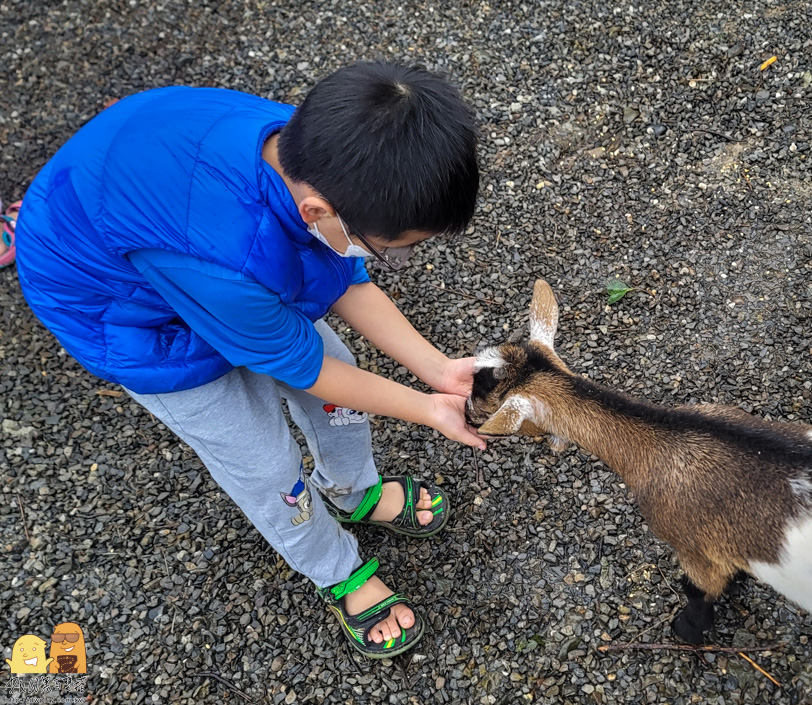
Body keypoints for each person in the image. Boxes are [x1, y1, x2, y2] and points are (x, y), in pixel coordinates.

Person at [14, 61, 488, 659]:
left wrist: (439, 371)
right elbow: (303, 365)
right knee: (264, 462)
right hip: (127, 311)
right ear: (317, 211)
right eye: (391, 249)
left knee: (341, 400)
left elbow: (342, 276)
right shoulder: (231, 262)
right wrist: (427, 409)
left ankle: (351, 488)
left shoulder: (318, 152)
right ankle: (333, 567)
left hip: (181, 241)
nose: (390, 256)